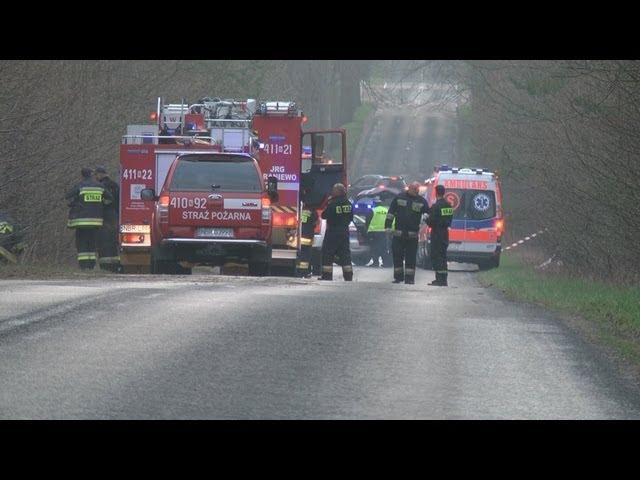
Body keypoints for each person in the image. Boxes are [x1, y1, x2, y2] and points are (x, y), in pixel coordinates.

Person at [65, 167, 113, 271]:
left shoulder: (80, 186)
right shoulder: (100, 186)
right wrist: (101, 205)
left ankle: (83, 266)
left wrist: (75, 202)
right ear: (91, 174)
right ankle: (91, 265)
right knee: (92, 243)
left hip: (81, 221)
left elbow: (68, 196)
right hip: (96, 221)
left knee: (82, 243)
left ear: (82, 176)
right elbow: (110, 198)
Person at [385, 181, 429, 284]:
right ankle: (398, 277)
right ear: (409, 188)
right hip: (398, 234)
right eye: (415, 190)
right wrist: (387, 226)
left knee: (411, 257)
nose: (416, 192)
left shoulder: (421, 201)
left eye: (417, 190)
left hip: (412, 235)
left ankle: (409, 279)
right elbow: (391, 213)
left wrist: (428, 218)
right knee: (397, 256)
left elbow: (427, 213)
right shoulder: (399, 197)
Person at [320, 183, 353, 281]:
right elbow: (351, 218)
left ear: (337, 192)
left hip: (333, 232)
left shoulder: (332, 203)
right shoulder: (348, 204)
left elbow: (324, 215)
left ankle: (327, 276)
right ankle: (348, 276)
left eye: (334, 190)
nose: (332, 192)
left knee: (328, 253)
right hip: (344, 232)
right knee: (345, 254)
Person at [94, 166, 120, 272]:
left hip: (104, 216)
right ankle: (115, 266)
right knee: (114, 241)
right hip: (115, 215)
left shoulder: (101, 186)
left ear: (100, 174)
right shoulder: (115, 185)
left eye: (96, 175)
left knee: (104, 241)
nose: (95, 177)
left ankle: (105, 267)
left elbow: (101, 202)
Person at [427, 184, 453, 286]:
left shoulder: (436, 206)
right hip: (445, 233)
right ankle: (444, 279)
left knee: (436, 256)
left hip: (437, 234)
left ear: (436, 193)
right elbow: (449, 220)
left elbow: (431, 222)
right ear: (444, 192)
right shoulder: (449, 205)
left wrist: (426, 218)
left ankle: (439, 279)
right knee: (443, 256)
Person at [365, 197, 392, 268]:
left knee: (374, 248)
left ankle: (375, 263)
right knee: (383, 248)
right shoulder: (386, 210)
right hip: (383, 232)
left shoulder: (372, 210)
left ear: (375, 203)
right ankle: (386, 263)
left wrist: (367, 230)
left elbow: (367, 222)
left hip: (373, 232)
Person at [296, 200, 318, 278]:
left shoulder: (299, 210)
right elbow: (315, 223)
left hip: (298, 236)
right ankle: (304, 273)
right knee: (306, 256)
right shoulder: (313, 212)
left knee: (299, 254)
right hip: (308, 237)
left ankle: (298, 272)